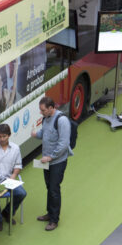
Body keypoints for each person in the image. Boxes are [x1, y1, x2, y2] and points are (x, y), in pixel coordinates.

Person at [32, 96, 73, 231]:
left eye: (43, 110)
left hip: (57, 162)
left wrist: (50, 157)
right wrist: (36, 135)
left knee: (54, 189)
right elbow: (44, 133)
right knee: (49, 187)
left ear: (51, 108)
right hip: (46, 161)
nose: (41, 113)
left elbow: (63, 144)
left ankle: (54, 220)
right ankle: (50, 213)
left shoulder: (62, 121)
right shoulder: (46, 118)